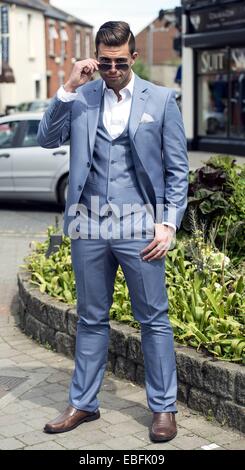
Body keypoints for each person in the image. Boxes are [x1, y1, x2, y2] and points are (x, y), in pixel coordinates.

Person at [37, 21, 189, 443]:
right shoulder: (82, 97)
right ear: (95, 58)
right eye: (104, 62)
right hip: (88, 225)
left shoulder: (160, 100)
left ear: (133, 58)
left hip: (140, 226)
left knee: (153, 320)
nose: (112, 69)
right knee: (90, 319)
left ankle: (163, 409)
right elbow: (46, 139)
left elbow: (178, 170)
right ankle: (84, 402)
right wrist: (67, 86)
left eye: (120, 62)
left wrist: (168, 223)